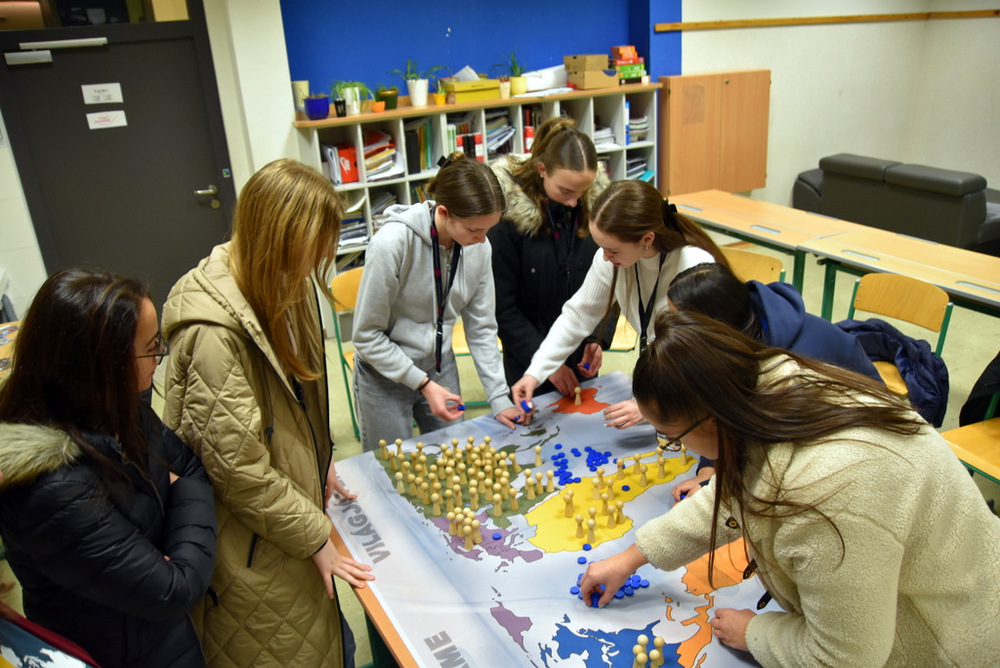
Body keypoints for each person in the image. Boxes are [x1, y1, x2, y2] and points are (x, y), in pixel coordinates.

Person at [580, 310, 1000, 666]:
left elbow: (845, 658)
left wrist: (756, 634)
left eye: (672, 438)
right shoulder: (766, 391)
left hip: (952, 644)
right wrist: (635, 557)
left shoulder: (827, 494)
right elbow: (737, 490)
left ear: (712, 420)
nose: (677, 448)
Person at [161, 159, 373, 667]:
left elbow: (299, 402)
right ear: (278, 236)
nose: (321, 257)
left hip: (284, 519)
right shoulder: (211, 336)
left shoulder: (282, 279)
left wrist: (319, 459)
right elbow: (237, 470)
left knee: (327, 640)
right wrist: (315, 536)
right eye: (315, 243)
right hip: (252, 546)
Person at [0, 268, 217, 668]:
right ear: (104, 365)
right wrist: (185, 495)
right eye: (151, 348)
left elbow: (189, 469)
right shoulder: (50, 491)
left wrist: (182, 490)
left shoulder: (118, 409)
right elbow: (177, 588)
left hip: (162, 640)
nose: (159, 357)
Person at [511, 179, 730, 428]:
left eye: (613, 250)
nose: (605, 257)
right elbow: (578, 315)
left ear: (647, 239)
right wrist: (535, 372)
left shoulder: (693, 266)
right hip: (665, 385)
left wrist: (651, 405)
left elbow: (701, 356)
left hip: (704, 395)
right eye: (601, 247)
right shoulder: (614, 260)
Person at [666, 262, 882, 500]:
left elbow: (771, 454)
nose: (675, 332)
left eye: (680, 323)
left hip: (858, 453)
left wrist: (715, 486)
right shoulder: (743, 326)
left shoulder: (792, 369)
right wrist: (709, 468)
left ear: (715, 323)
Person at [352, 152, 522, 451]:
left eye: (488, 230)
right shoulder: (392, 244)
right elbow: (366, 336)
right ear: (443, 213)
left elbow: (482, 328)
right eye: (474, 230)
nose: (482, 240)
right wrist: (422, 384)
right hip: (384, 372)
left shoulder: (479, 247)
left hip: (439, 365)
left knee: (453, 456)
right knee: (390, 464)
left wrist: (499, 397)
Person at [488, 117, 615, 397]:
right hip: (529, 355)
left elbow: (609, 279)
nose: (574, 201)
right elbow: (502, 309)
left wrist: (597, 337)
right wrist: (545, 363)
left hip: (580, 354)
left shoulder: (596, 210)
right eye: (566, 191)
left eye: (582, 192)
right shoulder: (508, 221)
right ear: (542, 170)